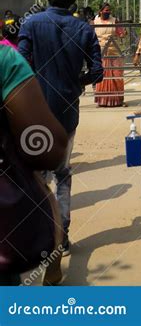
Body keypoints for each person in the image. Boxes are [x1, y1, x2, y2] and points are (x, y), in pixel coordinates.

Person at [18, 0, 103, 255]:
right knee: (63, 175)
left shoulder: (31, 24)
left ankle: (39, 236)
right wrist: (78, 83)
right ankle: (62, 237)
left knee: (37, 176)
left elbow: (20, 65)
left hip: (35, 112)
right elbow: (97, 72)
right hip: (67, 113)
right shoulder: (84, 29)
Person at [0, 44, 67, 285]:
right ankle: (59, 249)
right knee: (62, 177)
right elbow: (49, 152)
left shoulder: (26, 33)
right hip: (42, 107)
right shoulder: (5, 60)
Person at [94, 2, 126, 107]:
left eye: (109, 10)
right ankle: (103, 100)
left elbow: (121, 33)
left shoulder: (114, 21)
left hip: (114, 52)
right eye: (106, 10)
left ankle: (118, 100)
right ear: (101, 11)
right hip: (101, 52)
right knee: (102, 76)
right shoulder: (95, 21)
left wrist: (123, 32)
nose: (108, 12)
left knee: (117, 75)